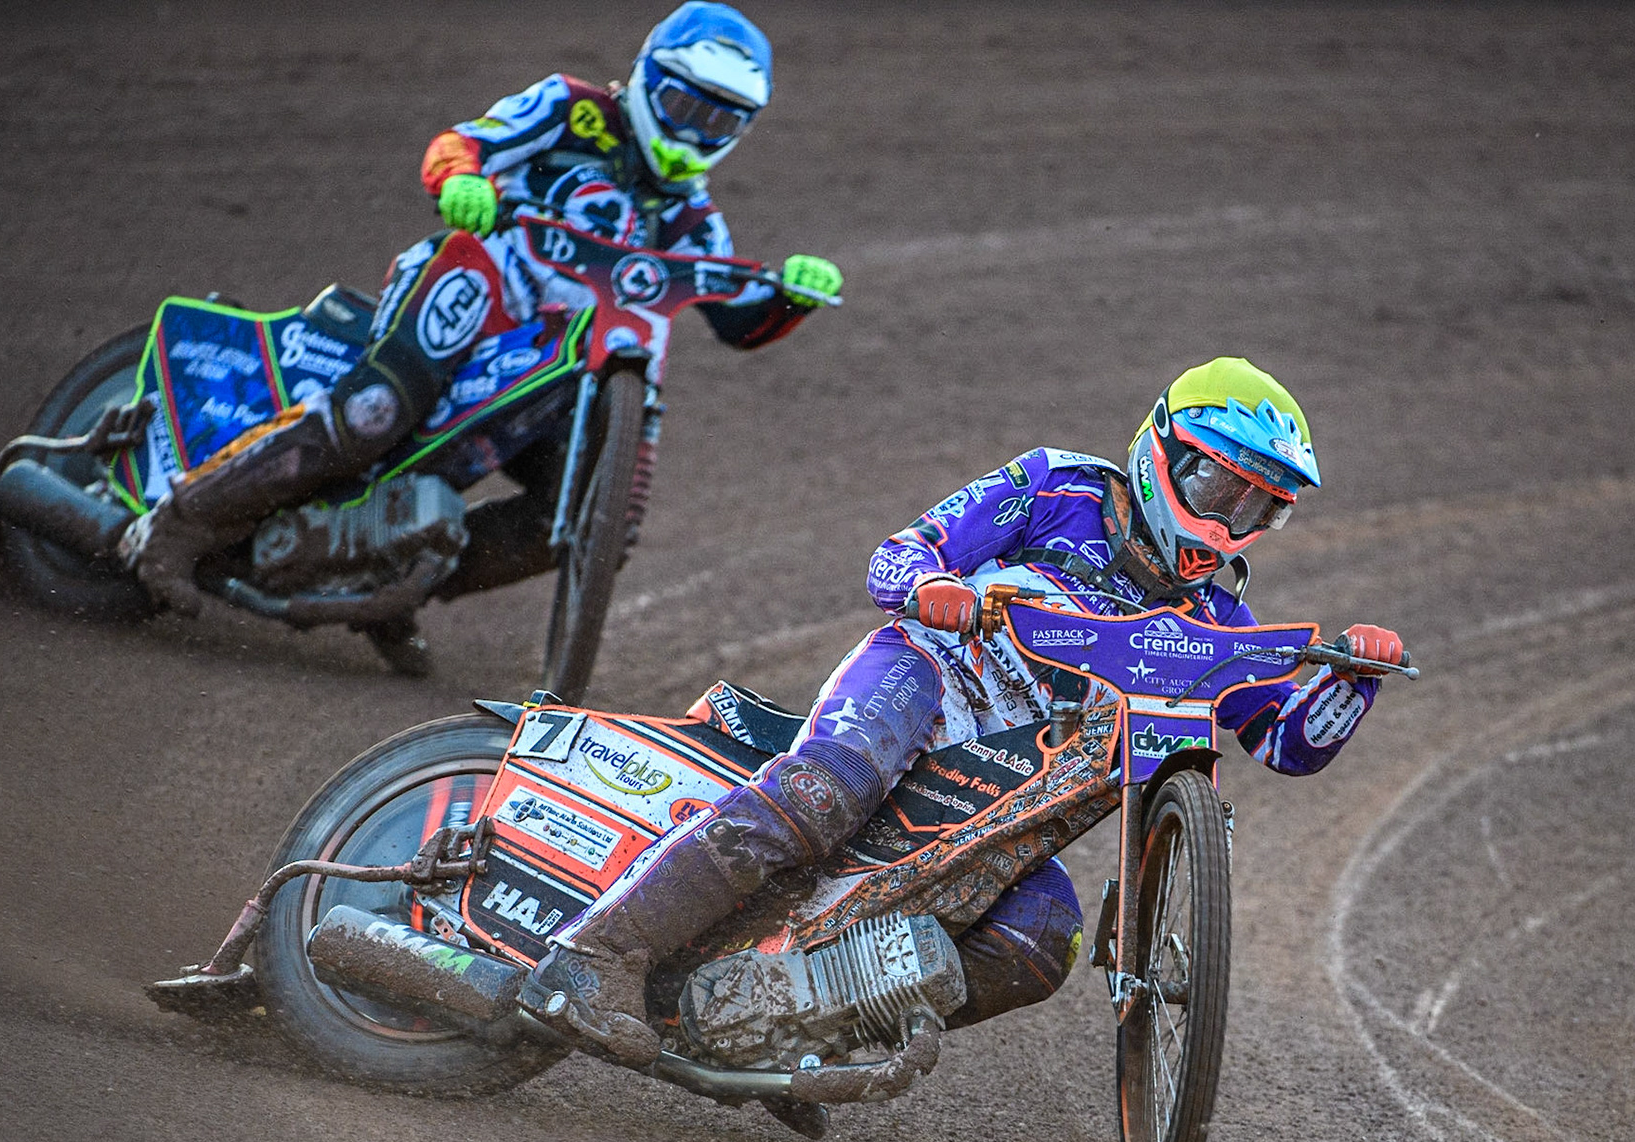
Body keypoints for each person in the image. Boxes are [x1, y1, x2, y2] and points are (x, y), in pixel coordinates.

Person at [518, 356, 1406, 1065]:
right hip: (927, 680)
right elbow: (897, 555)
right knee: (828, 790)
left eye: (1262, 506)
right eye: (1221, 489)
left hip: (1004, 792)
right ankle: (592, 955)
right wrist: (935, 585)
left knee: (1043, 937)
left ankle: (798, 1032)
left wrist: (1352, 678)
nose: (1231, 520)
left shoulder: (1216, 619)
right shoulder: (1057, 487)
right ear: (1160, 452)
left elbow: (1288, 740)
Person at [121, 2, 843, 674]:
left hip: (561, 365)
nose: (694, 134)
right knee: (377, 410)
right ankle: (179, 523)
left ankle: (392, 584)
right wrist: (462, 181)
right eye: (686, 107)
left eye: (720, 123)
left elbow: (739, 317)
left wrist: (792, 295)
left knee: (599, 521)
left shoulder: (693, 218)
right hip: (479, 287)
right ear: (651, 78)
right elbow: (460, 143)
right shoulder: (571, 110)